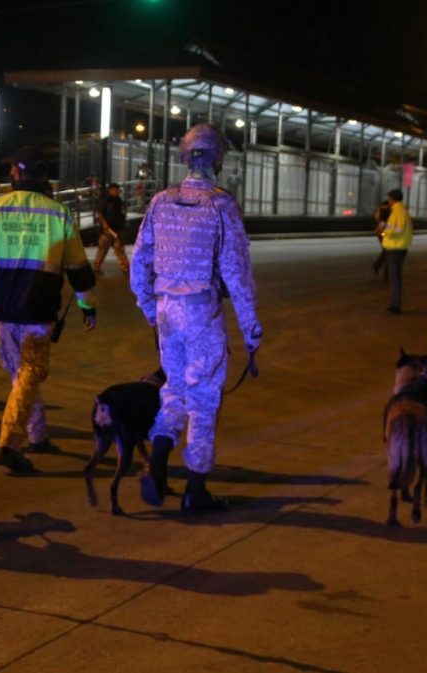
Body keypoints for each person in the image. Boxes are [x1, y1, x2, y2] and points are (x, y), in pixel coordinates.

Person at [130, 123, 262, 513]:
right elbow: (237, 274)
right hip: (201, 310)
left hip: (167, 311)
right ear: (217, 158)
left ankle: (156, 468)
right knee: (203, 399)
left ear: (185, 157)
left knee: (174, 390)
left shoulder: (160, 202)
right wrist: (251, 330)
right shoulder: (221, 206)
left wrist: (149, 310)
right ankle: (196, 490)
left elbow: (140, 261)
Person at [0, 145, 97, 473]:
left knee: (21, 376)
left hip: (4, 310)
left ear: (17, 173)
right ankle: (9, 442)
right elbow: (78, 267)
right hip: (39, 311)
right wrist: (87, 306)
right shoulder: (58, 213)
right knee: (29, 374)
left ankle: (38, 435)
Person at [380, 188, 412, 314]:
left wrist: (383, 232)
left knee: (394, 279)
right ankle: (395, 304)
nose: (388, 201)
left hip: (395, 248)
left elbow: (397, 230)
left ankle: (395, 306)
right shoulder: (400, 211)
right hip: (399, 247)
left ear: (393, 199)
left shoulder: (398, 212)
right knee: (395, 278)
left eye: (389, 199)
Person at [92, 182, 130, 274]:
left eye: (118, 190)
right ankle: (96, 266)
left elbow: (122, 213)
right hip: (107, 229)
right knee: (103, 249)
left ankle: (125, 267)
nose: (117, 192)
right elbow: (100, 212)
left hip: (117, 228)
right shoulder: (105, 201)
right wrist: (104, 223)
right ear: (110, 190)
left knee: (119, 248)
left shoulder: (119, 200)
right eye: (115, 190)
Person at [371, 199, 391, 277]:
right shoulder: (384, 210)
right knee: (388, 252)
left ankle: (382, 269)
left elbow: (377, 222)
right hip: (384, 233)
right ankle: (381, 268)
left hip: (381, 233)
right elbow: (382, 223)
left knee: (387, 251)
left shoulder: (379, 210)